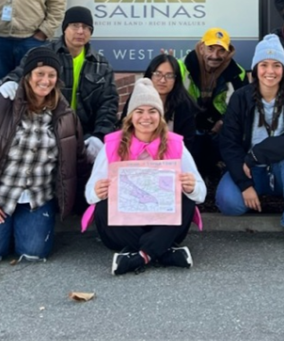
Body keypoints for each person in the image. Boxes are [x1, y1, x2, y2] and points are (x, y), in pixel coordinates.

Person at [0, 46, 86, 263]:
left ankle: (21, 228)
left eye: (51, 75)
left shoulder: (66, 116)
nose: (45, 80)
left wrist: (78, 203)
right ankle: (4, 229)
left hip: (38, 197)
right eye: (40, 74)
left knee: (34, 253)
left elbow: (77, 161)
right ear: (27, 77)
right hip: (0, 197)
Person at [84, 78, 206, 274]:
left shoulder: (175, 144)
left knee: (187, 199)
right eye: (139, 111)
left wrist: (192, 187)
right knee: (102, 205)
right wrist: (98, 191)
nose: (146, 117)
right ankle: (164, 252)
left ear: (160, 115)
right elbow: (89, 194)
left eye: (152, 111)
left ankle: (140, 257)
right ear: (131, 116)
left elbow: (201, 193)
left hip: (161, 221)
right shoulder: (112, 145)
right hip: (125, 225)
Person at [215, 35, 284, 247]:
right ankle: (256, 194)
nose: (270, 71)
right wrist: (244, 184)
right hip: (250, 169)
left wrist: (257, 153)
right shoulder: (241, 97)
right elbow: (229, 142)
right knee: (229, 203)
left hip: (282, 168)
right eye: (264, 65)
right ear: (255, 69)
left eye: (277, 65)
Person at [0, 6, 118, 157]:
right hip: (45, 131)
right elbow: (19, 73)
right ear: (65, 28)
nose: (80, 31)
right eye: (75, 26)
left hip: (86, 137)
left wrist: (99, 136)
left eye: (86, 27)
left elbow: (109, 104)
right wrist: (9, 82)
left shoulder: (102, 64)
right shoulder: (43, 54)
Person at [178, 27, 247, 183]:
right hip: (188, 122)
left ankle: (223, 175)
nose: (215, 56)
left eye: (221, 50)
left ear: (229, 52)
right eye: (211, 48)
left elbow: (241, 108)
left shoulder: (238, 73)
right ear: (202, 48)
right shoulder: (181, 67)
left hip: (220, 125)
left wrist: (223, 121)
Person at [144, 53, 198, 139]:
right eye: (158, 74)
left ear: (176, 79)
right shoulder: (137, 98)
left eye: (169, 76)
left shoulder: (185, 106)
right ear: (150, 75)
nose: (162, 80)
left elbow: (187, 143)